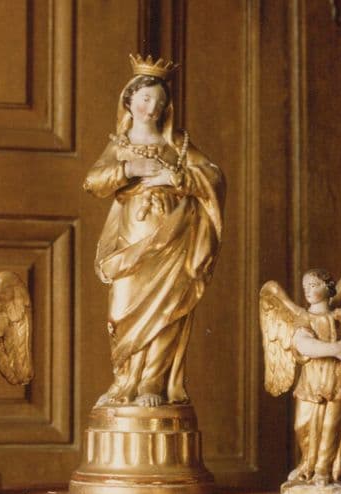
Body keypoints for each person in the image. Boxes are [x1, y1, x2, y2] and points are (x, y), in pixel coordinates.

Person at [83, 55, 225, 407]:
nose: (152, 108)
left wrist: (176, 177)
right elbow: (93, 181)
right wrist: (128, 169)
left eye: (160, 103)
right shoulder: (119, 145)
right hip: (132, 239)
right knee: (122, 310)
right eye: (146, 99)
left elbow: (214, 175)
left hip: (173, 237)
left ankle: (151, 383)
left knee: (167, 310)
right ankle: (124, 382)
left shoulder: (177, 144)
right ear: (129, 99)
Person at [288, 268, 341, 485]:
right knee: (302, 425)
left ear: (328, 288)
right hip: (310, 382)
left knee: (331, 427)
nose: (308, 291)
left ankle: (323, 470)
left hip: (337, 380)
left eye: (313, 286)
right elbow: (303, 344)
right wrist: (336, 349)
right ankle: (307, 464)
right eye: (305, 287)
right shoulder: (304, 317)